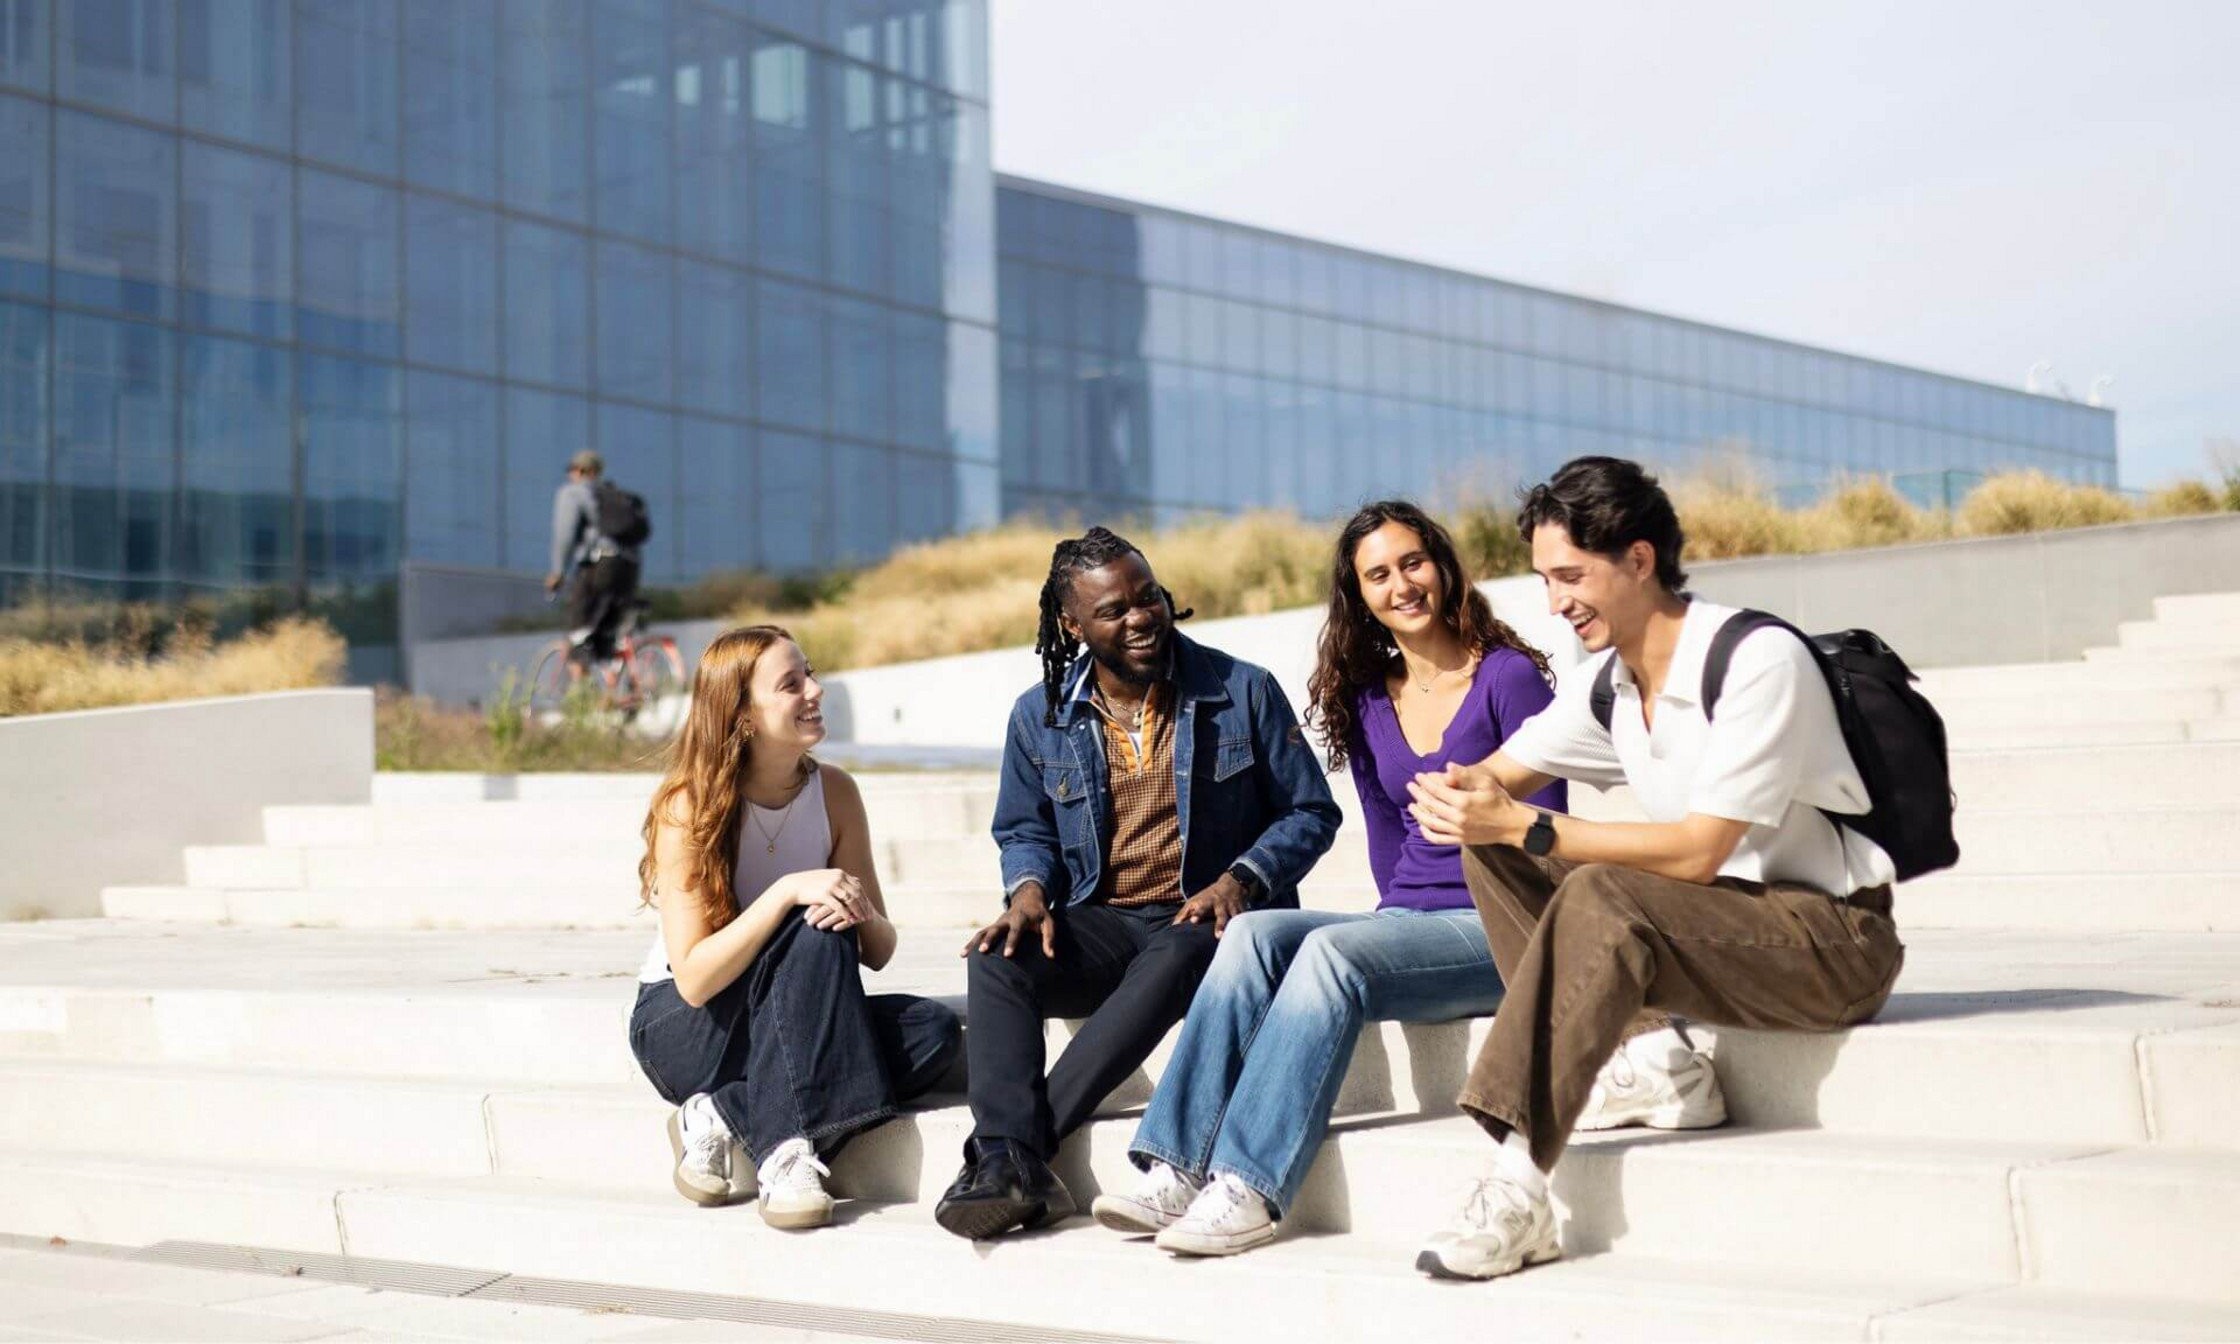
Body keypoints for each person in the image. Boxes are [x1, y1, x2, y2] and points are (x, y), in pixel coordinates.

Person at [1405, 457, 1906, 1281]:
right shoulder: (1608, 681)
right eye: (1544, 579)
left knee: (1589, 878)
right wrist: (1461, 791)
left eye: (1572, 575)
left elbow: (1700, 849)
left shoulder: (1755, 659)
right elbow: (1496, 778)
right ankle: (1658, 1064)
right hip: (1717, 926)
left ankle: (1518, 1189)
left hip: (1831, 942)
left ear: (1639, 560)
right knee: (1489, 838)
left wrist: (1535, 826)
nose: (1556, 601)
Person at [1091, 500, 1568, 1258]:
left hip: (1501, 926)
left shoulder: (1508, 678)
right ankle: (1176, 1167)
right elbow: (1386, 836)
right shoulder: (1369, 697)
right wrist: (1391, 932)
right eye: (1378, 574)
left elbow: (1546, 835)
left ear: (1442, 566)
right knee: (1251, 931)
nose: (1401, 584)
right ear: (1359, 595)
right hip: (1408, 922)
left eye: (1413, 562)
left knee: (1331, 955)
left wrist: (1386, 942)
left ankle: (1247, 1185)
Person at [933, 527, 1343, 1241]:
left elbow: (1311, 811)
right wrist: (1027, 891)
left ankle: (1011, 1158)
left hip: (1208, 923)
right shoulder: (1042, 714)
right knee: (995, 956)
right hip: (1103, 919)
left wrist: (1241, 880)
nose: (1142, 618)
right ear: (1074, 625)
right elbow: (1025, 829)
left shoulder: (1239, 690)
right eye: (1115, 610)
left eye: (1148, 597)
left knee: (1182, 948)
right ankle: (1008, 1153)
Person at [629, 625, 961, 1231]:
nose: (815, 689)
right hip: (686, 1027)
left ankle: (724, 1115)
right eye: (791, 684)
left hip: (789, 1021)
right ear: (745, 715)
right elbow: (696, 979)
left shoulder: (834, 792)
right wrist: (788, 892)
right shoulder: (689, 806)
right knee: (811, 926)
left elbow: (881, 951)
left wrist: (857, 910)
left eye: (810, 672)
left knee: (933, 1030)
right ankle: (785, 1152)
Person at [547, 449, 641, 667]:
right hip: (630, 565)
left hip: (601, 564)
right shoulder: (616, 495)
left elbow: (564, 535)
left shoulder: (572, 493)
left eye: (572, 470)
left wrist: (558, 572)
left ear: (582, 471)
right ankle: (618, 685)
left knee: (577, 631)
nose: (571, 475)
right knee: (605, 634)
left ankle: (581, 695)